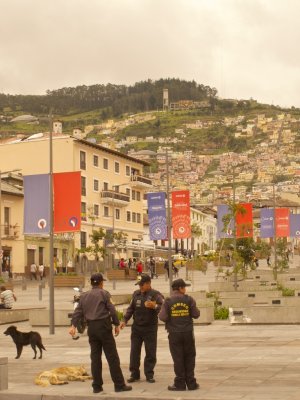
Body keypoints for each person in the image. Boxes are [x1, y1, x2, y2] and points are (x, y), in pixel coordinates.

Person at [69, 273, 132, 393]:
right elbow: (112, 310)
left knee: (95, 358)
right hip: (103, 326)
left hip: (91, 328)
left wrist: (73, 326)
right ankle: (119, 385)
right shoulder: (104, 293)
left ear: (91, 283)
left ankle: (97, 386)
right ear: (101, 283)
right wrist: (116, 324)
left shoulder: (84, 295)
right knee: (112, 357)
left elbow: (78, 312)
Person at [120, 274, 164, 383]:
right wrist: (124, 320)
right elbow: (131, 309)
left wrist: (154, 306)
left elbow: (164, 307)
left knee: (150, 352)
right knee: (134, 351)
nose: (140, 287)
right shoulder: (136, 294)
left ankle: (149, 374)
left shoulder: (156, 295)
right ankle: (134, 374)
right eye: (139, 285)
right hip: (137, 328)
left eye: (142, 285)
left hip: (150, 328)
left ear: (148, 284)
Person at [159, 278, 200, 391]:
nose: (185, 289)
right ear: (180, 288)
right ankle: (191, 383)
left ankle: (180, 384)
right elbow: (196, 314)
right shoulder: (189, 299)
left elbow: (162, 317)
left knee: (178, 358)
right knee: (190, 357)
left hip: (174, 334)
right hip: (187, 333)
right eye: (184, 287)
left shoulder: (167, 301)